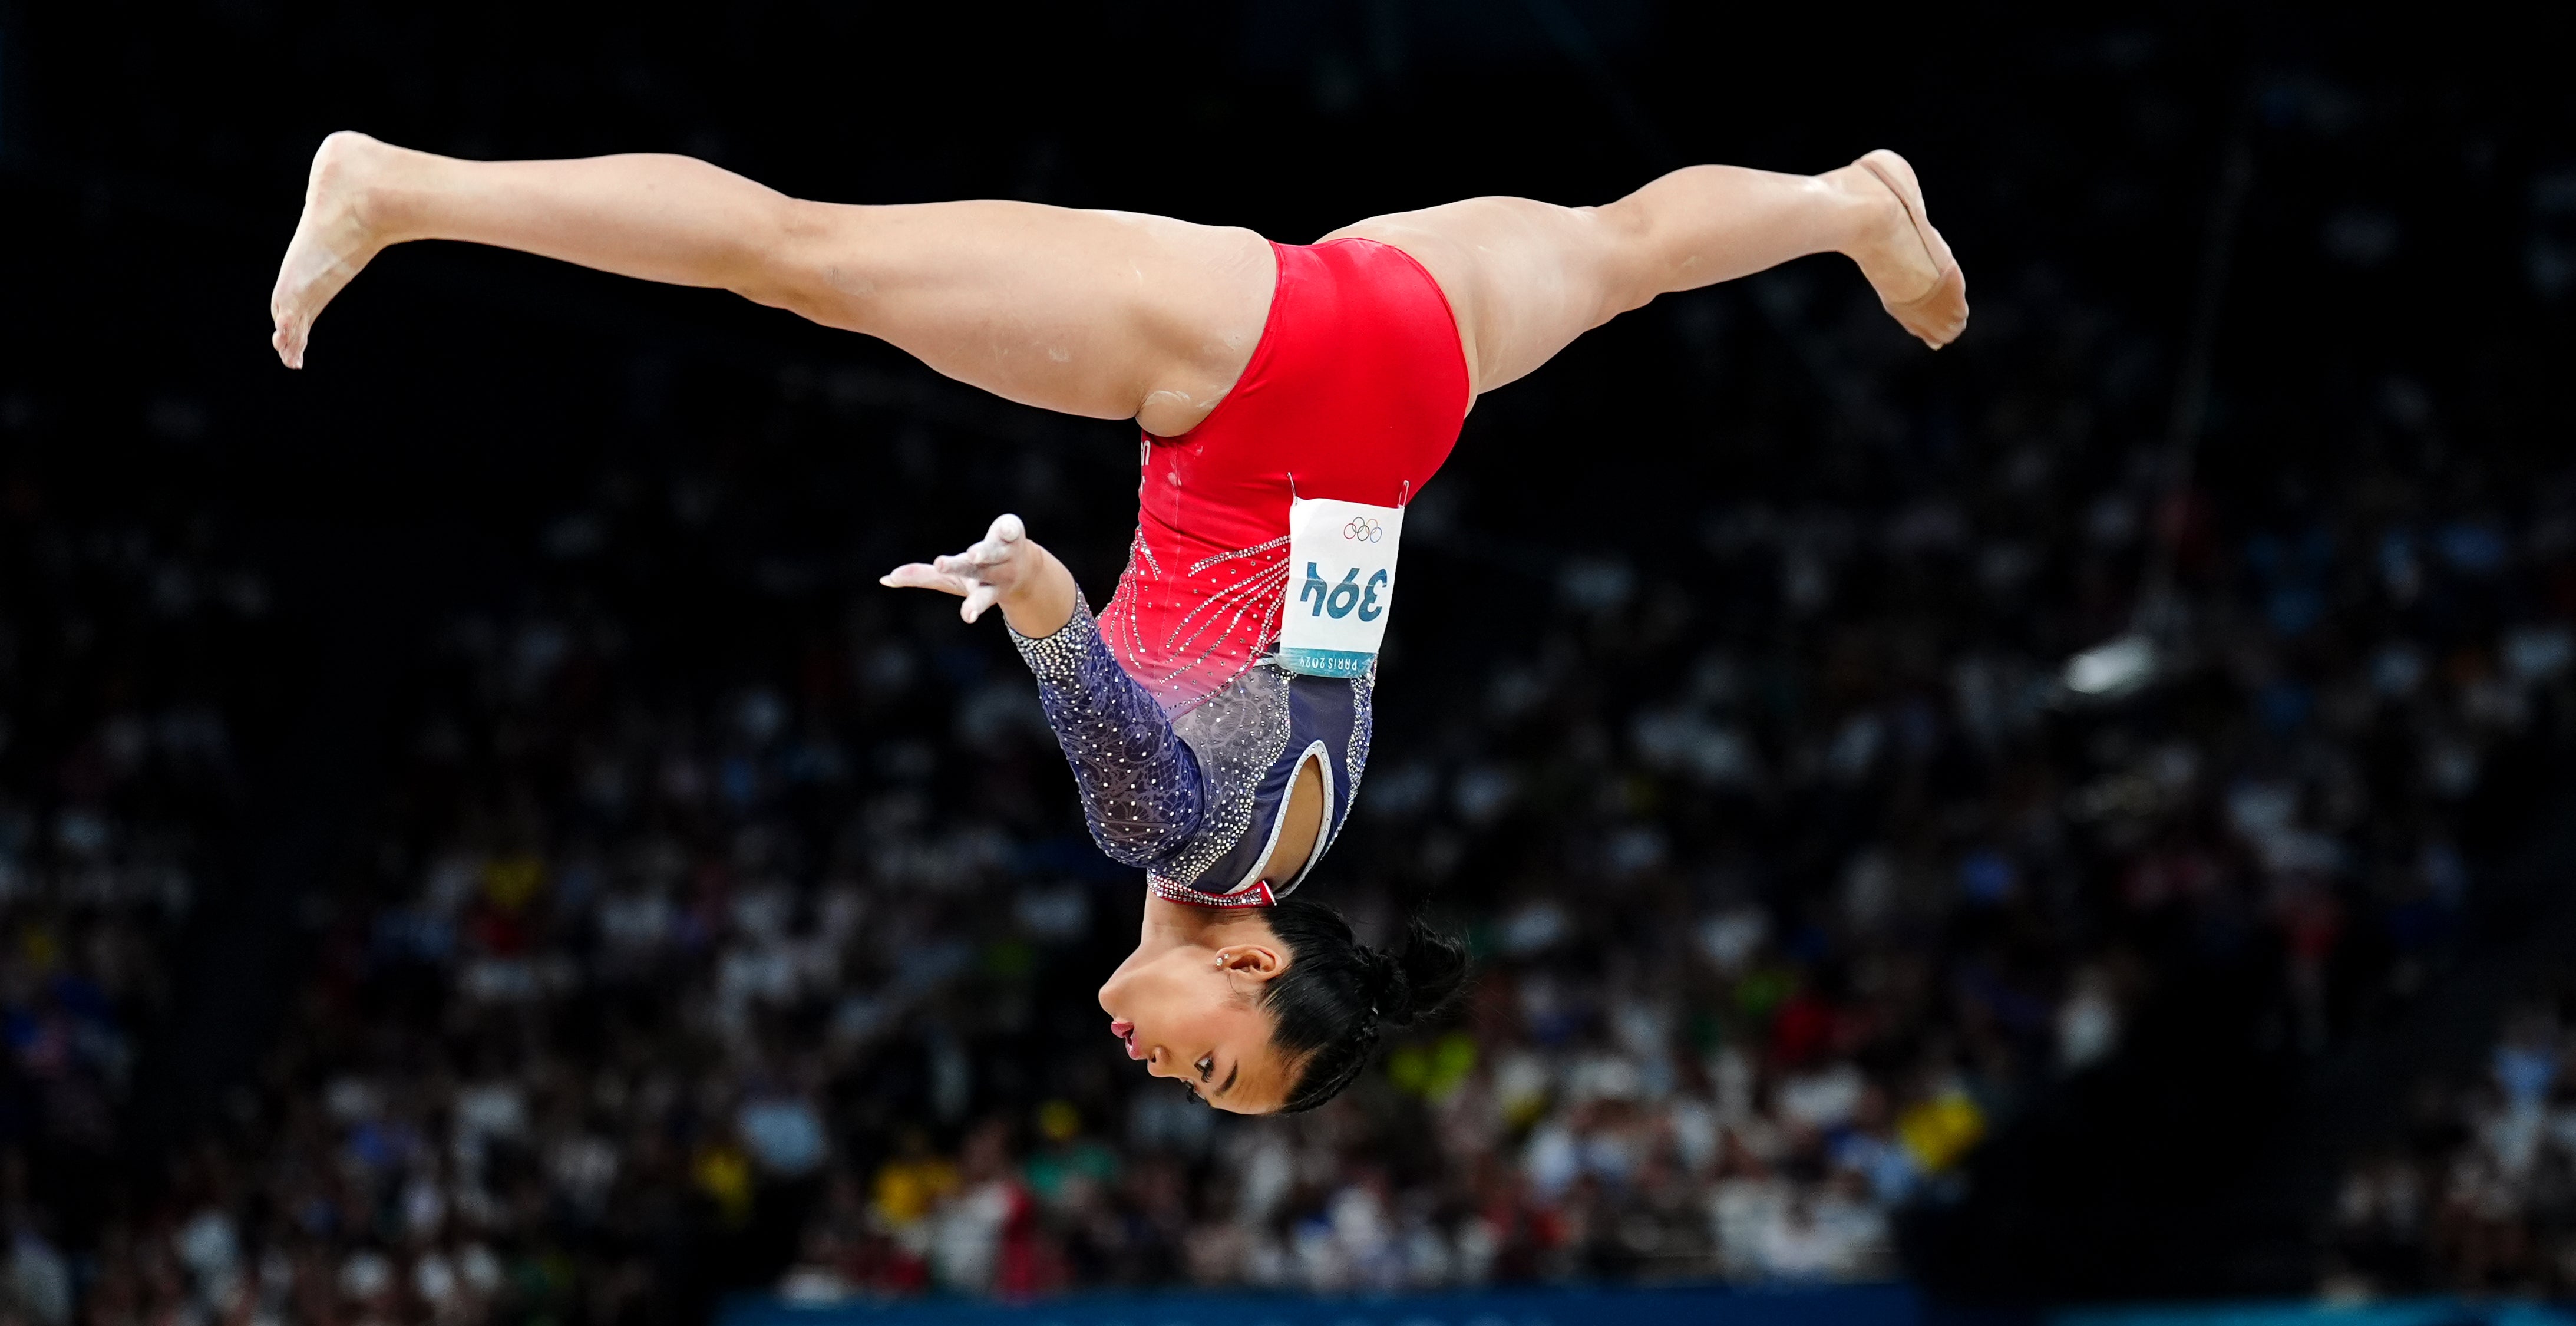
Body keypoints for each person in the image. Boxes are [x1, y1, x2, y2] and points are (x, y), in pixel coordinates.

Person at [269, 133, 1966, 1116]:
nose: (1166, 1073)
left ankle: (1843, 205)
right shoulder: (1164, 832)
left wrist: (1088, 583)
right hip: (1237, 372)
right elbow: (1089, 669)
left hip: (1407, 378)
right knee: (798, 255)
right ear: (1250, 968)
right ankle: (399, 189)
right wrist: (1023, 587)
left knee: (1622, 248)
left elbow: (1297, 596)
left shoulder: (1303, 830)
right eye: (1218, 1072)